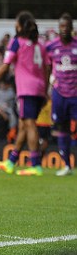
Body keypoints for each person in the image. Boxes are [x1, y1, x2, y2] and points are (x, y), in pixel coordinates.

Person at [0, 11, 50, 176]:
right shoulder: (40, 45)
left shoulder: (16, 42)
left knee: (30, 124)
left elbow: (5, 66)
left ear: (20, 25)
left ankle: (36, 165)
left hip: (26, 89)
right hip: (39, 88)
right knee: (22, 125)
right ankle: (11, 162)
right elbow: (48, 68)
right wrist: (45, 90)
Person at [45, 13, 77, 176]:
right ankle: (66, 165)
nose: (64, 29)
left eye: (67, 26)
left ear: (72, 28)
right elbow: (47, 68)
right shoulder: (51, 47)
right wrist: (46, 89)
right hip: (60, 94)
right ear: (59, 28)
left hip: (76, 94)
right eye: (62, 26)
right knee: (62, 128)